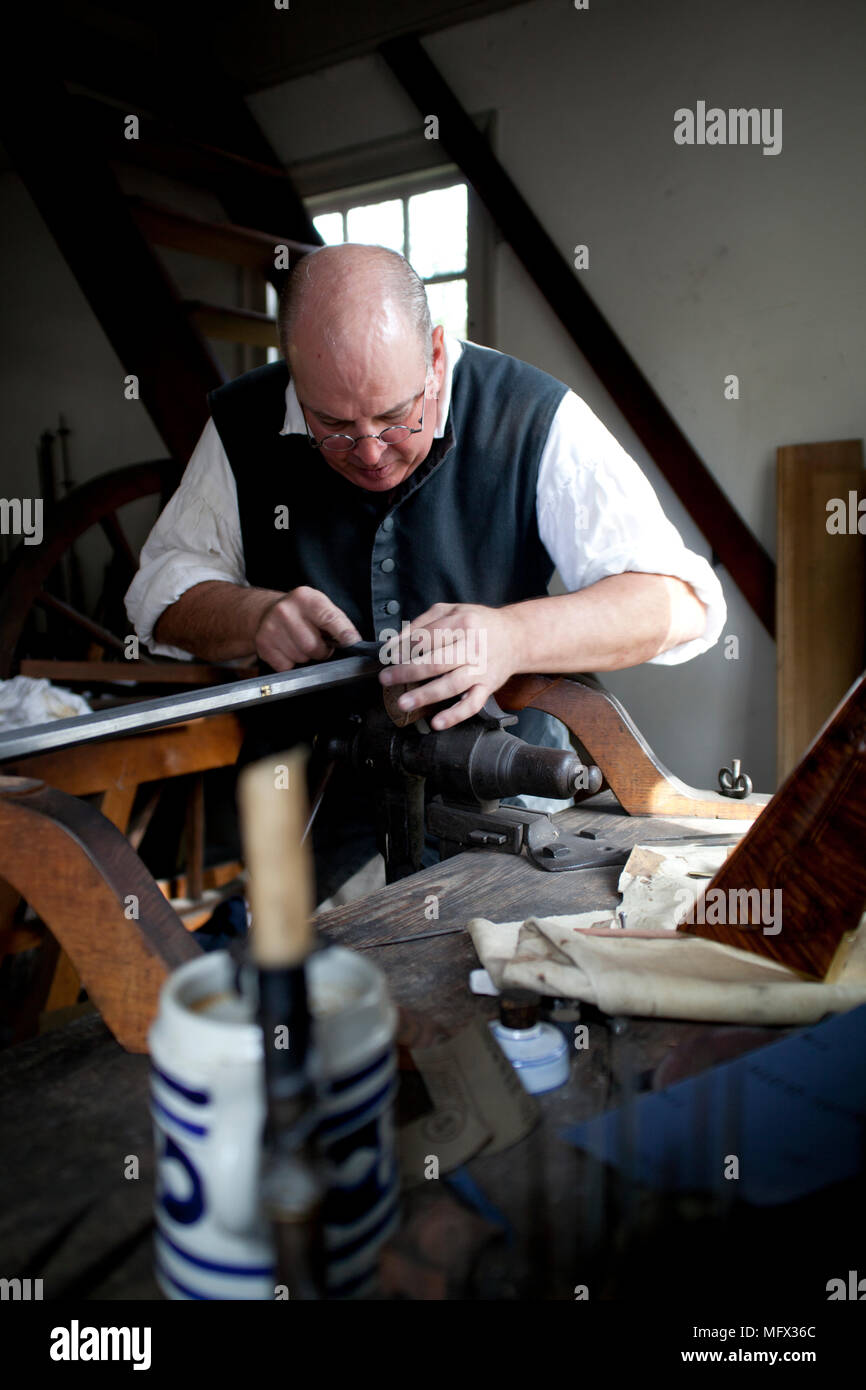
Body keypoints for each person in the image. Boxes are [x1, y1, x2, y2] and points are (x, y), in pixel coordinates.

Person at [126, 242, 725, 897]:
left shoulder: (531, 415)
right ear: (295, 378)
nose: (372, 453)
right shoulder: (244, 421)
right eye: (333, 426)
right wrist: (254, 615)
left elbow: (680, 603)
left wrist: (512, 637)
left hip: (502, 802)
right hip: (309, 818)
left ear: (436, 355)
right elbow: (159, 596)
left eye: (394, 417)